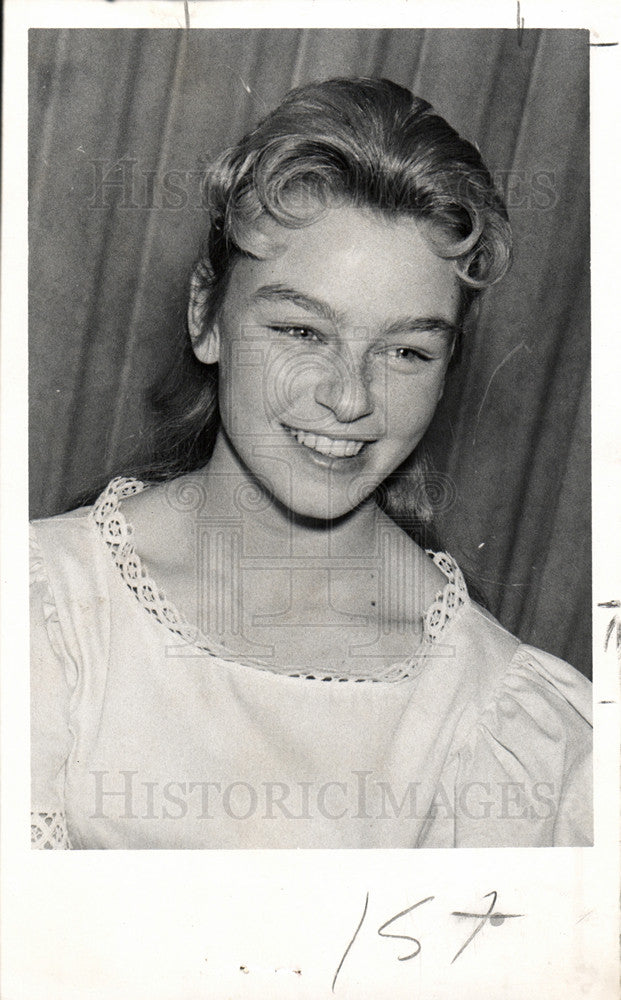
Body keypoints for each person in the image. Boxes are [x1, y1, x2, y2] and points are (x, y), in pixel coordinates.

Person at [30, 77, 592, 850]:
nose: (349, 397)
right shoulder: (42, 611)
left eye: (404, 350)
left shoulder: (510, 723)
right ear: (207, 316)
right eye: (301, 332)